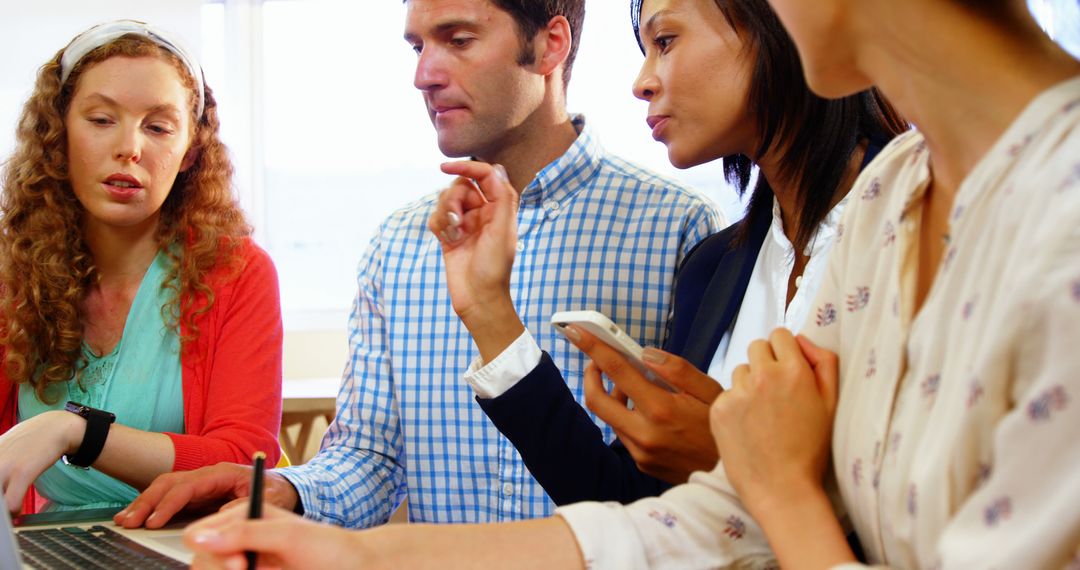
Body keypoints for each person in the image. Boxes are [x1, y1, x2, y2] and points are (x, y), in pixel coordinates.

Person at [182, 0, 1080, 566]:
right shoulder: (891, 198)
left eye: (667, 36)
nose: (646, 77)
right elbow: (695, 525)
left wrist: (777, 482)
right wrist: (359, 557)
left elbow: (744, 506)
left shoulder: (691, 228)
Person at [118, 0, 721, 530]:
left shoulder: (677, 228)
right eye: (417, 45)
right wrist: (287, 490)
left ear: (550, 45)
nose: (423, 75)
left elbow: (675, 490)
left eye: (458, 40)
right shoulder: (399, 246)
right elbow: (369, 460)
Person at [428, 0, 904, 507]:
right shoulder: (714, 267)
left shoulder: (923, 226)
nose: (642, 82)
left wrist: (733, 460)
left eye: (666, 41)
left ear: (785, 21)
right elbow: (627, 502)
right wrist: (487, 309)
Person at [0, 21, 283, 515]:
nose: (130, 147)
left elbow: (243, 460)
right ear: (58, 133)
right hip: (47, 542)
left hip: (187, 542)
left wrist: (73, 430)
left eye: (158, 127)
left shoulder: (237, 272)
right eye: (101, 119)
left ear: (190, 151)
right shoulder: (13, 273)